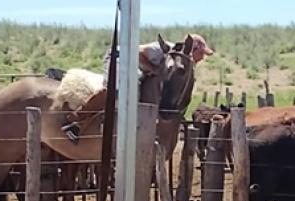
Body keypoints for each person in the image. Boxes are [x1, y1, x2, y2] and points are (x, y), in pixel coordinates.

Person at [61, 34, 214, 143]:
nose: (202, 58)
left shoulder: (176, 60)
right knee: (116, 90)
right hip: (120, 57)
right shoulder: (164, 50)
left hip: (135, 66)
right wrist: (153, 69)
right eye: (202, 53)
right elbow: (137, 54)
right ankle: (75, 120)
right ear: (192, 49)